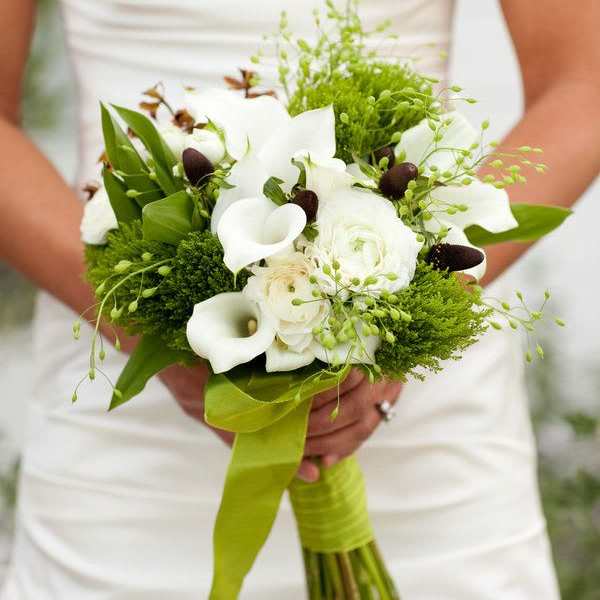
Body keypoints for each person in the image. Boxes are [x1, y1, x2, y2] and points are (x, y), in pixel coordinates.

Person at [1, 0, 599, 598]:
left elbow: (584, 84)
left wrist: (407, 318)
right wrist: (148, 327)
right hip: (126, 455)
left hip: (429, 446)